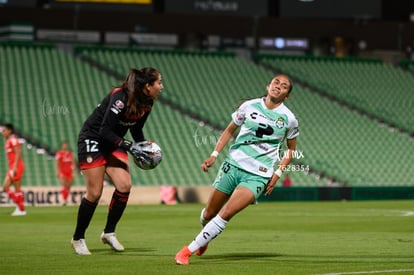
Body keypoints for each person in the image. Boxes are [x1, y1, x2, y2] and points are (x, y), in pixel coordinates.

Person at [175, 74, 299, 265]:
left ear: (287, 95)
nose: (278, 87)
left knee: (226, 213)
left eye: (284, 86)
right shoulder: (249, 106)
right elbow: (229, 130)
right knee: (209, 214)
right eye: (276, 82)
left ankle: (186, 251)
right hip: (233, 165)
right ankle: (204, 238)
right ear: (268, 86)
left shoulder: (289, 119)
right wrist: (214, 155)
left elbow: (291, 150)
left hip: (258, 174)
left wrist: (277, 174)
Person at [71, 67, 163, 255]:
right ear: (147, 86)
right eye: (159, 83)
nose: (161, 87)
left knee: (124, 185)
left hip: (114, 142)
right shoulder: (120, 98)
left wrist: (144, 149)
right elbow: (104, 130)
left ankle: (109, 232)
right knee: (95, 193)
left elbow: (137, 130)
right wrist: (130, 147)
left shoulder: (147, 103)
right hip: (93, 138)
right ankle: (78, 238)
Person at [2, 123, 26, 216]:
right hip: (13, 167)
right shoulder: (8, 141)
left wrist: (15, 167)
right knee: (6, 188)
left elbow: (18, 152)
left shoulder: (13, 140)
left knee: (13, 188)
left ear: (9, 131)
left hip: (16, 167)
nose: (2, 133)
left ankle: (21, 209)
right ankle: (20, 207)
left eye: (4, 131)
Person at [55, 140, 77, 205]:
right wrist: (57, 172)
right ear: (62, 146)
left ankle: (65, 199)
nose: (65, 146)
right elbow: (57, 163)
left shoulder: (70, 154)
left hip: (70, 172)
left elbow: (73, 163)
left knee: (69, 186)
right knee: (65, 185)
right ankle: (64, 199)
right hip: (63, 172)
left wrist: (75, 170)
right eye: (64, 145)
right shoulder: (59, 153)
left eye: (66, 145)